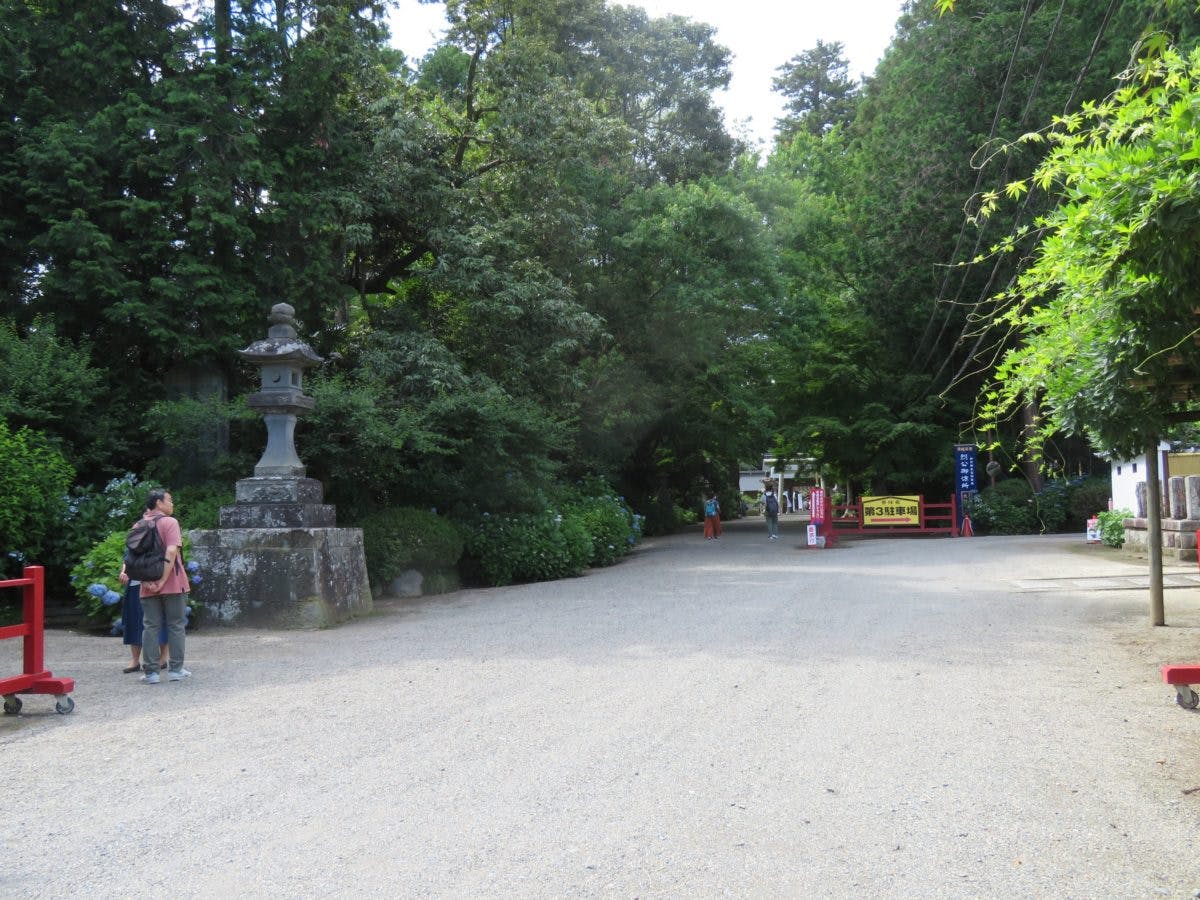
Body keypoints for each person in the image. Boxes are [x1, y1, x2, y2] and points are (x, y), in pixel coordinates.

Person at [119, 489, 190, 684]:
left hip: (146, 585)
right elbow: (172, 550)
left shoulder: (139, 525)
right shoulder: (170, 522)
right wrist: (162, 580)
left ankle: (151, 673)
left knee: (150, 626)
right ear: (159, 503)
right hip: (173, 583)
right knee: (175, 625)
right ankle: (176, 669)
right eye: (170, 500)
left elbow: (131, 558)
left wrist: (147, 581)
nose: (172, 504)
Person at [120, 578, 168, 674]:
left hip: (157, 583)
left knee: (161, 620)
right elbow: (127, 562)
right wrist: (124, 571)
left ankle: (162, 659)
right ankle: (135, 660)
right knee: (134, 620)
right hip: (135, 584)